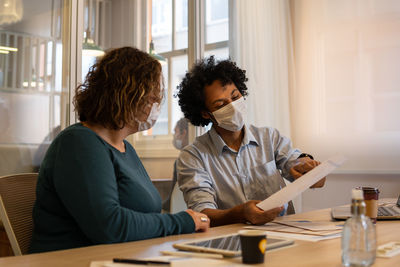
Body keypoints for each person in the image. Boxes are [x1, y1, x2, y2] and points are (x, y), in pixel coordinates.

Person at [30, 47, 209, 253]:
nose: (156, 104)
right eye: (152, 97)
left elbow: (145, 215)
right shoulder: (78, 143)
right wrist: (183, 221)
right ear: (127, 94)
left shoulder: (126, 149)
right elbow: (110, 226)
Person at [176, 56, 325, 227]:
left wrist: (308, 168)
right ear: (205, 113)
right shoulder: (193, 156)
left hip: (285, 233)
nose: (232, 106)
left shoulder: (269, 137)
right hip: (231, 242)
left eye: (235, 96)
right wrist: (240, 214)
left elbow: (297, 163)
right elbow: (202, 213)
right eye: (220, 105)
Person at [162, 118, 189, 212]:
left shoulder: (181, 162)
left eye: (175, 132)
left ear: (184, 133)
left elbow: (172, 198)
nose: (174, 136)